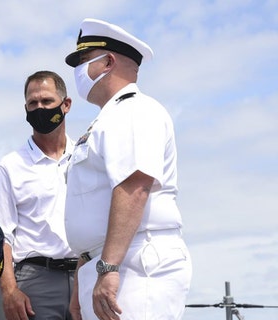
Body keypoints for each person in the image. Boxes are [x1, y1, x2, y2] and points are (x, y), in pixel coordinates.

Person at [63, 18, 192, 320]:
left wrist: (108, 267)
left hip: (134, 265)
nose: (78, 71)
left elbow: (134, 188)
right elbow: (93, 207)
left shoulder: (134, 111)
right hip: (110, 264)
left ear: (107, 61)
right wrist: (85, 275)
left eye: (83, 60)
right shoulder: (108, 119)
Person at [0, 71, 77, 320]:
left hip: (85, 274)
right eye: (32, 103)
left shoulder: (86, 157)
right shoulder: (10, 166)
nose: (40, 108)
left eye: (47, 102)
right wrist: (9, 291)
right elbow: (1, 235)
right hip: (37, 283)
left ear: (66, 105)